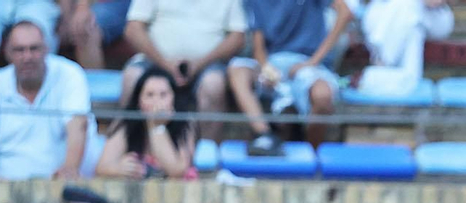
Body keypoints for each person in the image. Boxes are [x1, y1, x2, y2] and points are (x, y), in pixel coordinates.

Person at [0, 21, 91, 181]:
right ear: (8, 54)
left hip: (57, 187)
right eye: (19, 50)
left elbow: (78, 126)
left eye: (34, 49)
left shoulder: (69, 75)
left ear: (46, 49)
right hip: (6, 189)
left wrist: (68, 172)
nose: (27, 57)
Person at [228, 0, 351, 153]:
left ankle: (312, 154)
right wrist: (266, 69)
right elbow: (258, 45)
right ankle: (265, 136)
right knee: (237, 70)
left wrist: (313, 61)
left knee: (322, 96)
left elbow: (345, 12)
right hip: (272, 63)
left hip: (308, 64)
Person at [121, 0, 246, 138]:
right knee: (132, 76)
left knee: (213, 83)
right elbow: (133, 29)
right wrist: (165, 63)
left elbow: (238, 38)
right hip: (155, 60)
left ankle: (207, 148)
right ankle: (129, 142)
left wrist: (199, 64)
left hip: (208, 64)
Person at [94, 63, 195, 179]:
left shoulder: (185, 123)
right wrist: (118, 169)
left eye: (163, 95)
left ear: (174, 98)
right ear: (139, 101)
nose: (156, 101)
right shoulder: (126, 122)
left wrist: (156, 126)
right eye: (150, 95)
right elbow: (102, 167)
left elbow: (176, 171)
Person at [355, 0, 454, 99]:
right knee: (414, 31)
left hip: (435, 16)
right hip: (401, 19)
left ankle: (384, 61)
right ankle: (409, 77)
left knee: (407, 5)